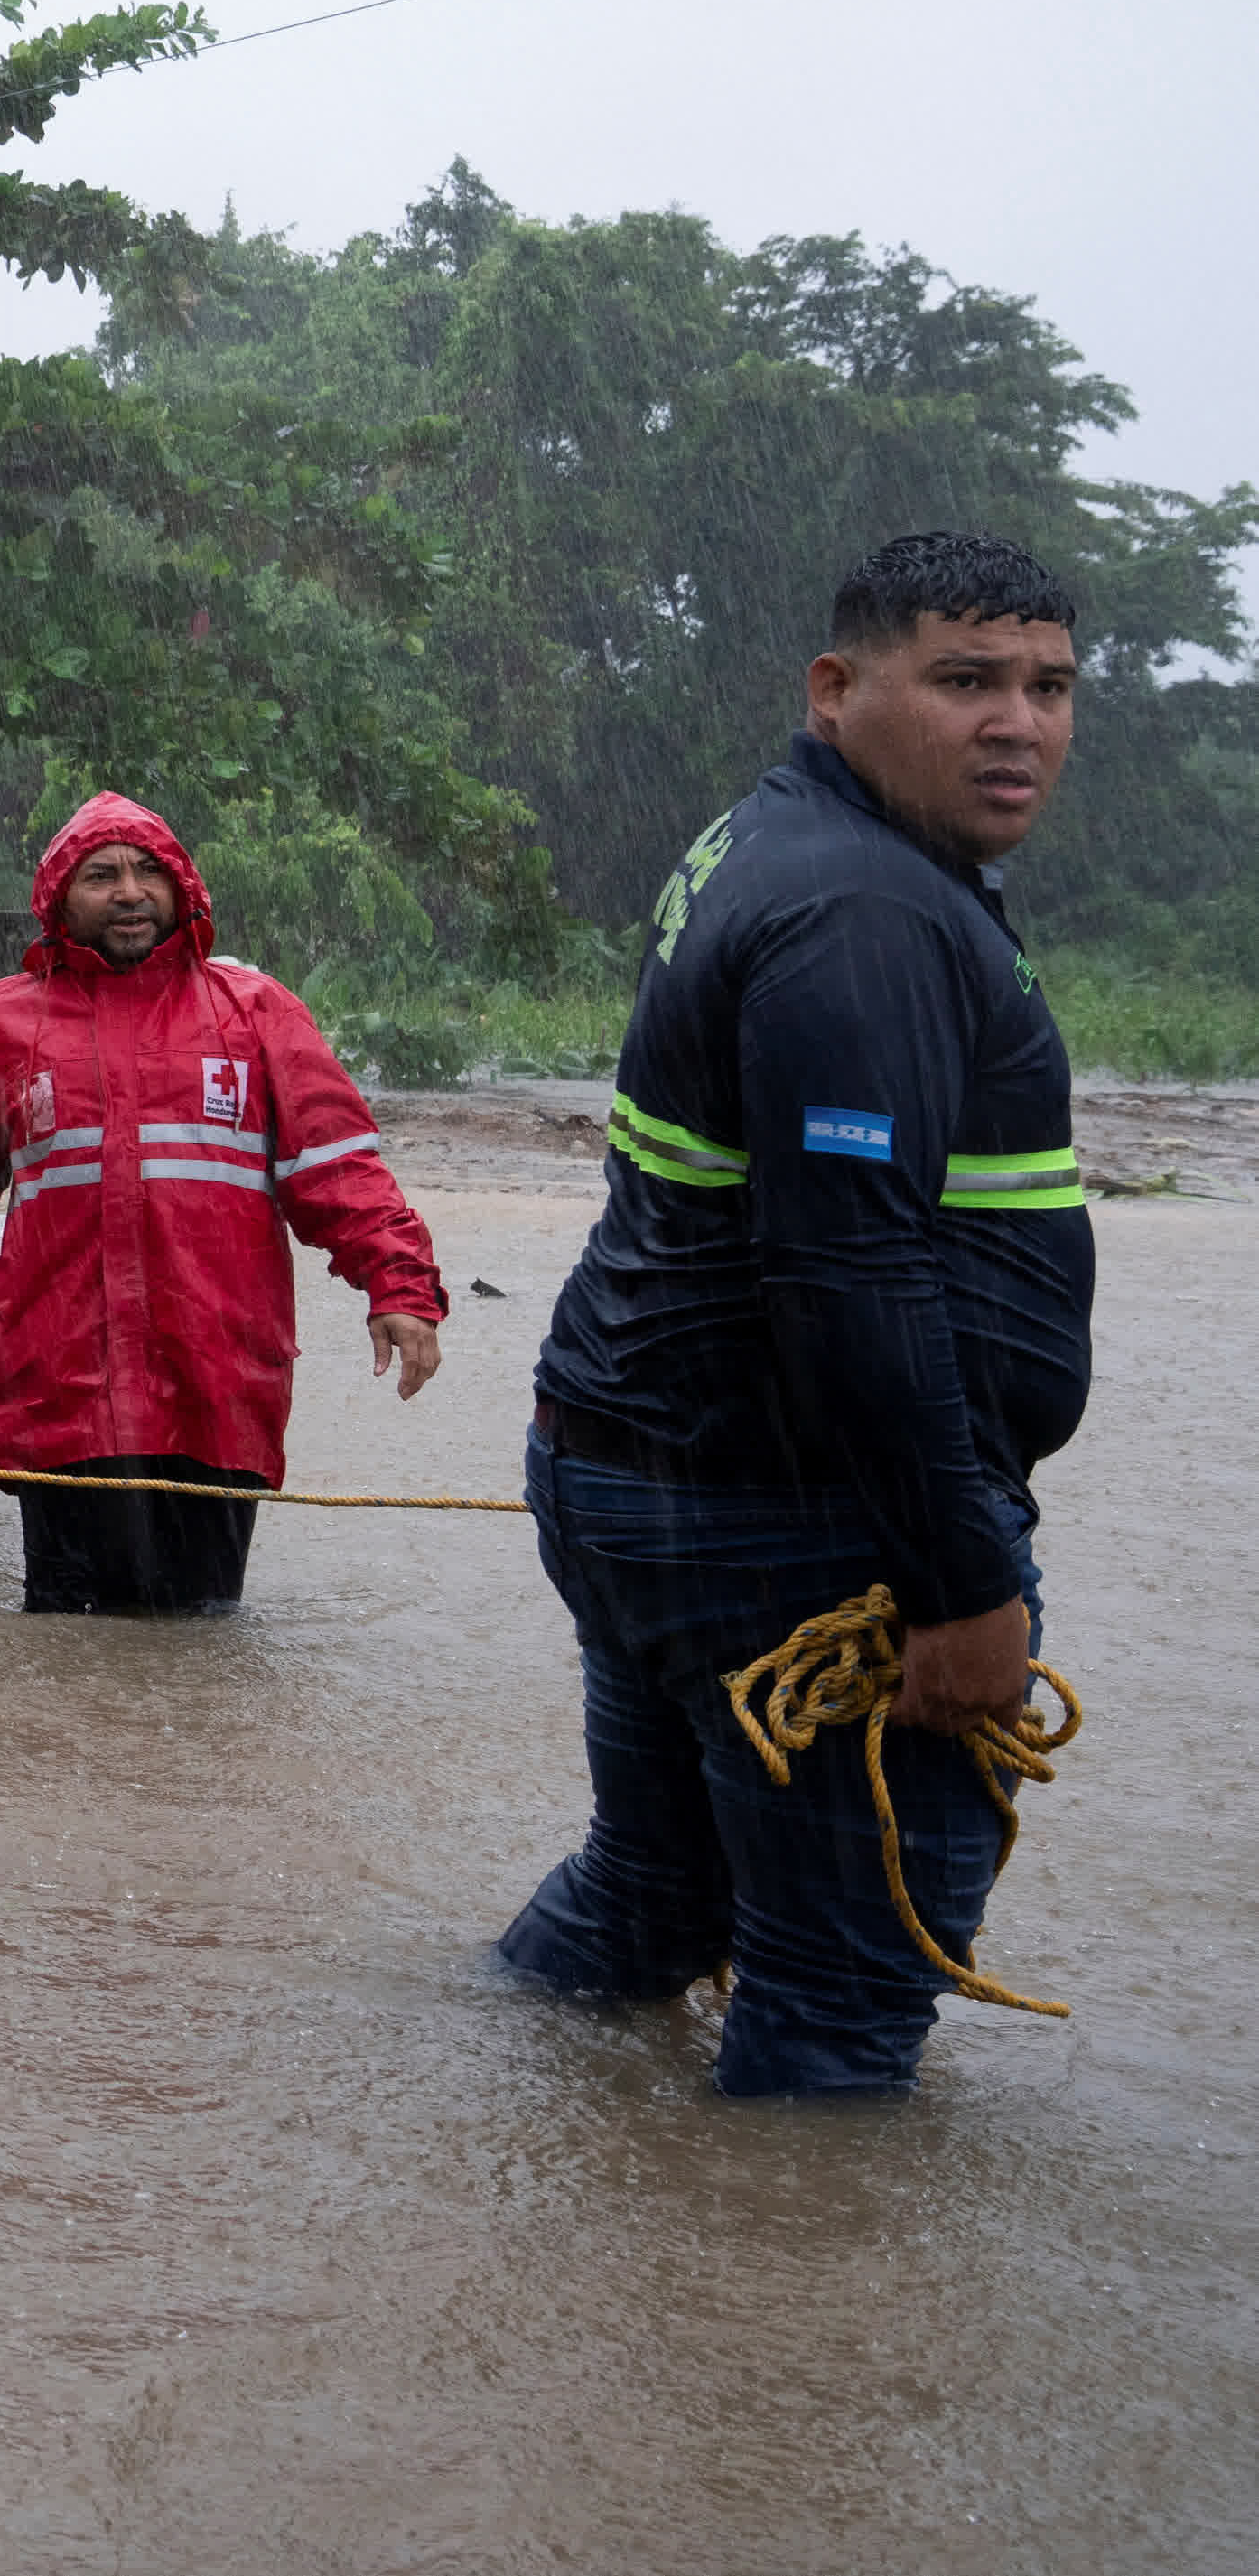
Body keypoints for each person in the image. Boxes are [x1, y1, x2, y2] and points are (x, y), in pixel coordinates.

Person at [494, 532, 1093, 2097]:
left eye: (1048, 687)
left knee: (651, 1900)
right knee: (837, 1998)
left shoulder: (784, 842)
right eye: (964, 681)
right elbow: (849, 1274)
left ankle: (493, 2162)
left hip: (643, 1467)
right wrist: (962, 1580)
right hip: (786, 1526)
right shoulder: (864, 913)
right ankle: (773, 2332)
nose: (1016, 723)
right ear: (838, 689)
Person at [0, 793, 446, 1614]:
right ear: (59, 901)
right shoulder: (6, 1026)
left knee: (198, 1642)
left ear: (183, 886)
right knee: (70, 1644)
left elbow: (341, 1172)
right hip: (62, 1394)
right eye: (102, 875)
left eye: (148, 870)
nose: (130, 891)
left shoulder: (257, 1012)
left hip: (215, 1391)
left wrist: (401, 1289)